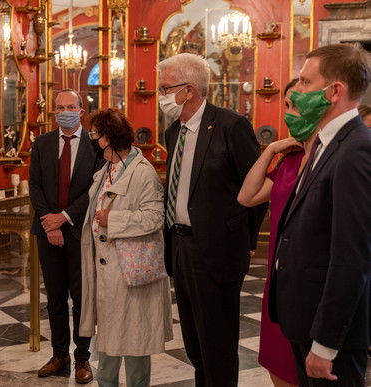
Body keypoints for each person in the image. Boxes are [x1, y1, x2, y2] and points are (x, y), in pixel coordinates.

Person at [157, 53, 267, 386]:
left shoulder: (231, 126)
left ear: (188, 90)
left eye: (165, 88)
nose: (161, 96)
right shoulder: (173, 131)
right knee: (194, 343)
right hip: (180, 247)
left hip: (217, 251)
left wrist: (244, 242)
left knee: (217, 345)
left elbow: (257, 187)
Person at [268, 43, 371, 386]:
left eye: (305, 82)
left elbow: (352, 256)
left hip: (328, 331)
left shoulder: (356, 150)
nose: (296, 91)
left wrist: (326, 343)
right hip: (305, 316)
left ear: (335, 91)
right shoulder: (328, 142)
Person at [79, 108, 173, 386]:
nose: (91, 139)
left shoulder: (142, 173)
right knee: (108, 342)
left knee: (135, 341)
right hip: (107, 271)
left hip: (130, 273)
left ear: (107, 138)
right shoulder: (108, 168)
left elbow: (156, 217)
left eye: (94, 134)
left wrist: (114, 219)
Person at [238, 79, 317, 387]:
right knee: (279, 370)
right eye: (286, 105)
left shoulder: (332, 160)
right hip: (277, 289)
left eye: (295, 105)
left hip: (309, 289)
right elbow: (246, 197)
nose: (289, 112)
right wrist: (272, 149)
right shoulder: (289, 160)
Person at [29, 89, 102, 384]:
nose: (64, 111)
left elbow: (94, 188)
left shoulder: (95, 145)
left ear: (82, 111)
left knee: (82, 298)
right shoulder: (42, 143)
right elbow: (35, 186)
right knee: (55, 297)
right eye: (59, 107)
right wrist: (51, 224)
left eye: (71, 106)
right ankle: (59, 355)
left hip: (80, 230)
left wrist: (65, 218)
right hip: (48, 231)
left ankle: (82, 358)